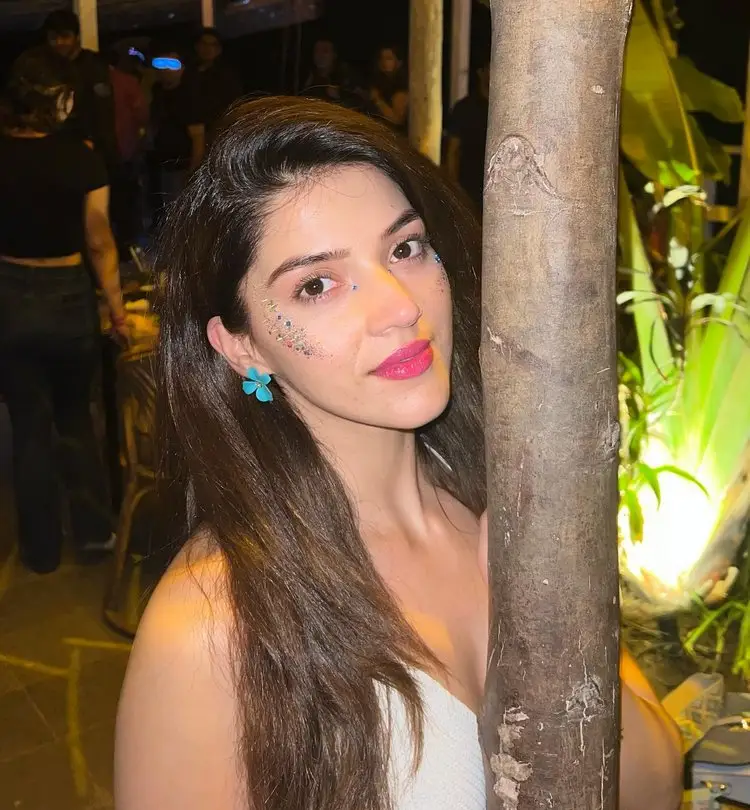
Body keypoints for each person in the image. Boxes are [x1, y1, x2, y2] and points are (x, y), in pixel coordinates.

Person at [115, 98, 682, 810]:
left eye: (405, 249)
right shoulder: (209, 630)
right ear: (242, 346)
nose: (399, 306)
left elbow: (654, 789)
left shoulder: (503, 505)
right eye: (317, 285)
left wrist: (547, 626)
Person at [0, 49, 129, 574]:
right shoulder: (81, 158)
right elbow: (99, 242)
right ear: (59, 100)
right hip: (68, 295)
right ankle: (95, 536)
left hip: (9, 296)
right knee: (76, 418)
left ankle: (41, 550)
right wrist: (117, 311)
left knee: (29, 425)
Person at [43, 10, 118, 173]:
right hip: (60, 147)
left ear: (76, 37)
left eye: (65, 36)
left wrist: (93, 142)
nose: (58, 42)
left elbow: (103, 112)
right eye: (53, 37)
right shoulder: (49, 67)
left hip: (91, 148)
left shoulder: (93, 65)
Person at [147, 47, 205, 227]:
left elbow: (198, 136)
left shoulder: (188, 97)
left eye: (172, 64)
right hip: (160, 163)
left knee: (180, 212)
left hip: (181, 165)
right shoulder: (157, 93)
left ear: (182, 69)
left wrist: (194, 170)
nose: (165, 69)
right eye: (160, 63)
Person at [108, 47, 149, 254]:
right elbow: (142, 115)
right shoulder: (128, 82)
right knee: (127, 202)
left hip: (105, 153)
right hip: (126, 150)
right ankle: (128, 247)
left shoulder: (91, 82)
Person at [446, 57, 490, 214]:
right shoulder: (464, 108)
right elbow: (453, 151)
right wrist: (453, 188)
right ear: (481, 72)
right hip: (469, 187)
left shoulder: (507, 109)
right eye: (491, 67)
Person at [190, 28, 242, 145]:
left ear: (218, 50)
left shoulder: (226, 76)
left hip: (214, 131)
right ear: (197, 46)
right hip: (187, 132)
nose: (207, 49)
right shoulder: (188, 72)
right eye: (204, 44)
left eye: (212, 45)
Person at [302, 37, 368, 113]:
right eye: (317, 51)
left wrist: (340, 94)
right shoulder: (308, 76)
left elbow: (363, 99)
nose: (320, 55)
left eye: (325, 51)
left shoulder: (346, 75)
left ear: (334, 55)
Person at [369, 45, 409, 133]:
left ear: (399, 62)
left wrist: (377, 100)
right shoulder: (381, 82)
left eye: (388, 58)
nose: (383, 62)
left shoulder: (401, 87)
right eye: (381, 58)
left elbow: (397, 120)